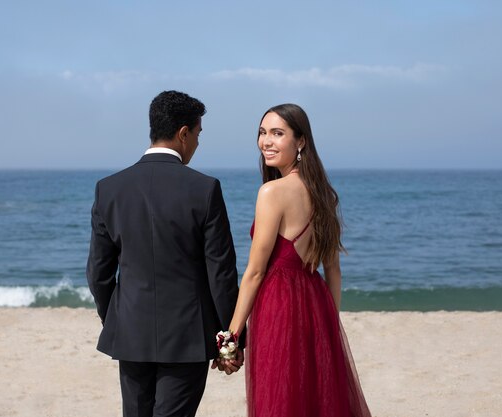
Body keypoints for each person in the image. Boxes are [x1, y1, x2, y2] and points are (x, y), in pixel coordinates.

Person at [86, 90, 244, 417]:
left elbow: (98, 273)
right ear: (183, 133)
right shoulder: (205, 189)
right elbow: (221, 272)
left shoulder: (110, 188)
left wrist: (115, 318)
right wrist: (230, 339)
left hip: (131, 331)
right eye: (198, 135)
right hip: (187, 336)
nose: (198, 144)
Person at [223, 104, 372, 416]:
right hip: (315, 303)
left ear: (301, 141)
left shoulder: (271, 192)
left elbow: (254, 272)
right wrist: (329, 322)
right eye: (262, 133)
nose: (266, 141)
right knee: (314, 399)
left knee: (282, 398)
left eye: (278, 133)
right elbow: (333, 270)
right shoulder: (322, 195)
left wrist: (232, 337)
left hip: (279, 305)